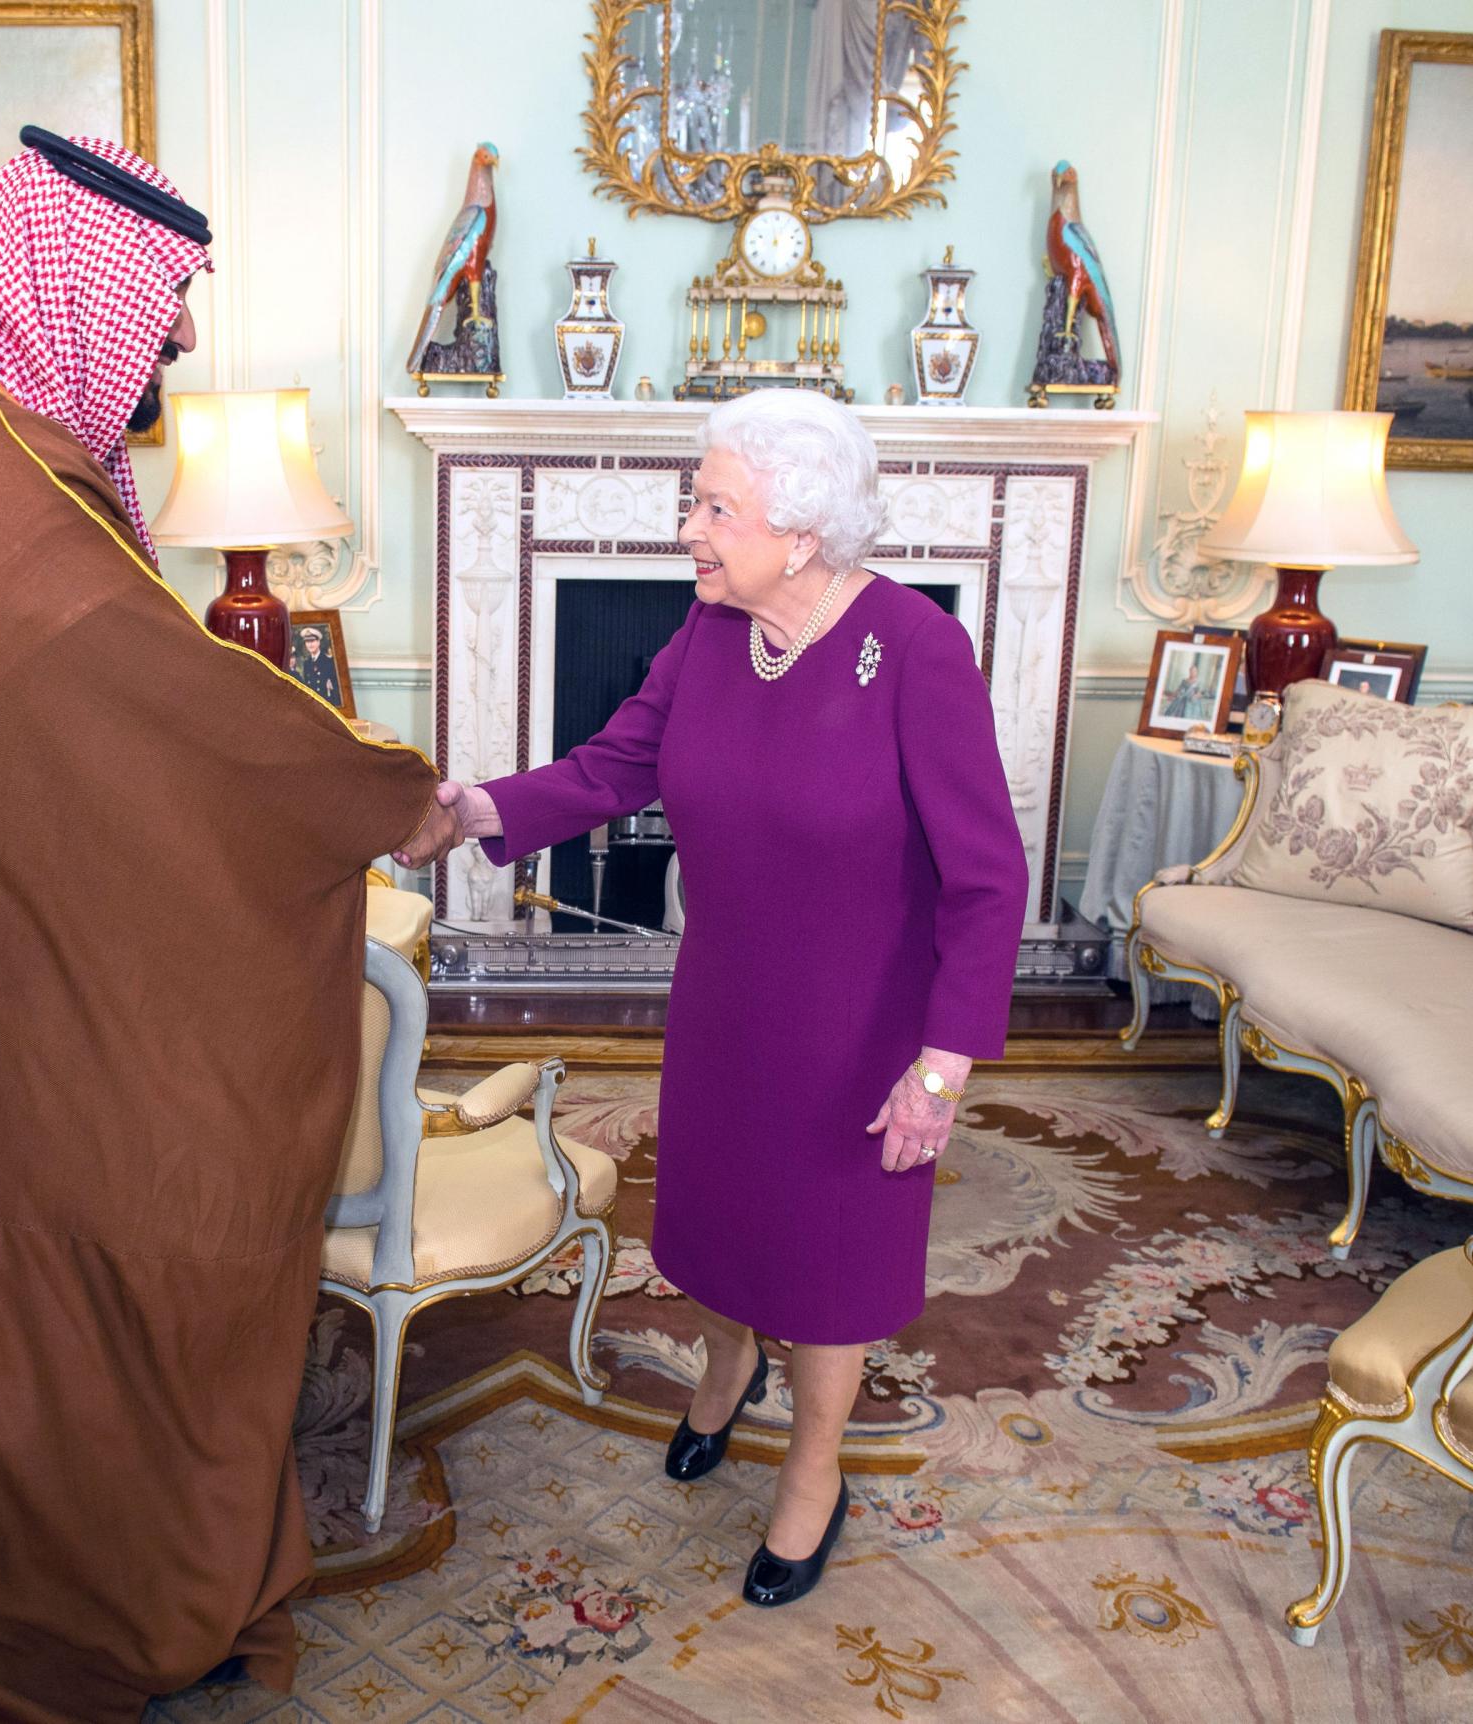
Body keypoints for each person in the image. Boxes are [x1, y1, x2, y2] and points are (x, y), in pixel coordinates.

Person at [0, 130, 449, 1723]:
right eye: (165, 301)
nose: (177, 337)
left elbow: (80, 724)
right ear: (71, 279)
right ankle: (8, 1624)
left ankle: (23, 1576)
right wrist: (376, 798)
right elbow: (154, 702)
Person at [397, 387, 1026, 1609]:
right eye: (695, 499)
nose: (687, 527)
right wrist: (474, 808)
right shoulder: (708, 634)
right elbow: (608, 766)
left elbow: (987, 879)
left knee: (831, 1253)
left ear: (799, 530)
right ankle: (729, 1359)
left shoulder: (913, 650)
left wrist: (942, 1065)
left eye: (713, 505)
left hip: (863, 1021)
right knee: (725, 1209)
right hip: (728, 996)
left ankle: (813, 1467)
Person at [293, 624, 342, 706]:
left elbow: (337, 689)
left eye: (312, 641)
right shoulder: (307, 663)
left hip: (327, 704)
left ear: (318, 642)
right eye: (307, 641)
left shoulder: (329, 661)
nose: (310, 644)